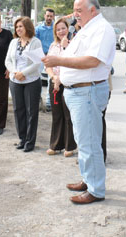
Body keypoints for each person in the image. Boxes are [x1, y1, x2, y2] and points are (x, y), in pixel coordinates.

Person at [42, 0, 116, 205]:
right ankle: (88, 179)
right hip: (78, 92)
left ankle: (96, 189)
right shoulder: (86, 29)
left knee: (90, 142)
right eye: (74, 10)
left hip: (88, 92)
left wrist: (59, 60)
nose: (75, 14)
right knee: (84, 140)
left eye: (79, 10)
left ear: (93, 9)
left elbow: (93, 60)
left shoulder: (102, 29)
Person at [5, 16, 42, 152]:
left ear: (27, 27)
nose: (18, 29)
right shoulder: (14, 42)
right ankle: (22, 139)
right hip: (15, 80)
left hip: (31, 81)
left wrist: (24, 73)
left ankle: (30, 142)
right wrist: (14, 72)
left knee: (31, 111)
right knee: (18, 110)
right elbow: (8, 60)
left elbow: (38, 62)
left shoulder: (35, 42)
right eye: (16, 27)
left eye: (20, 26)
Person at [44, 18, 77, 157]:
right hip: (55, 83)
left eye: (63, 28)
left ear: (68, 29)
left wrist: (65, 47)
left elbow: (70, 63)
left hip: (68, 84)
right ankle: (56, 144)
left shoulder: (73, 44)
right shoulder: (53, 46)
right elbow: (48, 65)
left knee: (68, 115)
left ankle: (70, 146)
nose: (61, 31)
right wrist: (54, 78)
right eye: (58, 29)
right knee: (57, 115)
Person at [35, 8, 55, 111]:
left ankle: (48, 103)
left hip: (52, 56)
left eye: (51, 16)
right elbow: (35, 42)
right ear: (44, 16)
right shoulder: (38, 29)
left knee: (51, 79)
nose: (49, 18)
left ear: (53, 17)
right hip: (41, 56)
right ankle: (38, 100)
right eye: (48, 16)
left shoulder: (56, 28)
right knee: (37, 77)